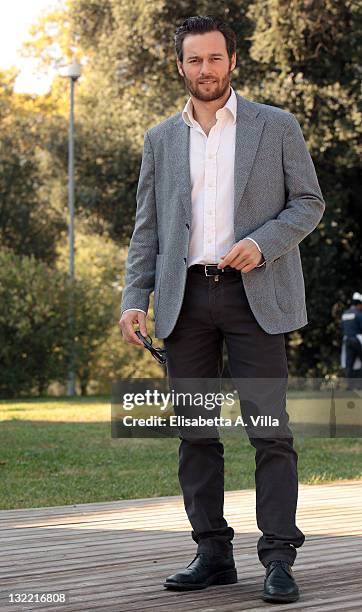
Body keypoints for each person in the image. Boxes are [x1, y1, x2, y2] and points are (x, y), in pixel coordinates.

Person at [119, 15, 325, 604]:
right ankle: (212, 555)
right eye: (193, 60)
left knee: (270, 432)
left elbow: (309, 202)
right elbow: (148, 229)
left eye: (214, 59)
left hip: (255, 292)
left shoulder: (276, 126)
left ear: (232, 61)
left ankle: (279, 558)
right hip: (184, 298)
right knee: (195, 433)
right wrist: (136, 297)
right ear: (179, 65)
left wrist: (262, 244)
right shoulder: (161, 138)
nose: (204, 70)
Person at [340, 292, 362, 390]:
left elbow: (342, 328)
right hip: (357, 340)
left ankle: (350, 386)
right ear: (358, 304)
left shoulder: (345, 314)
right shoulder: (358, 314)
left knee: (349, 364)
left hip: (347, 341)